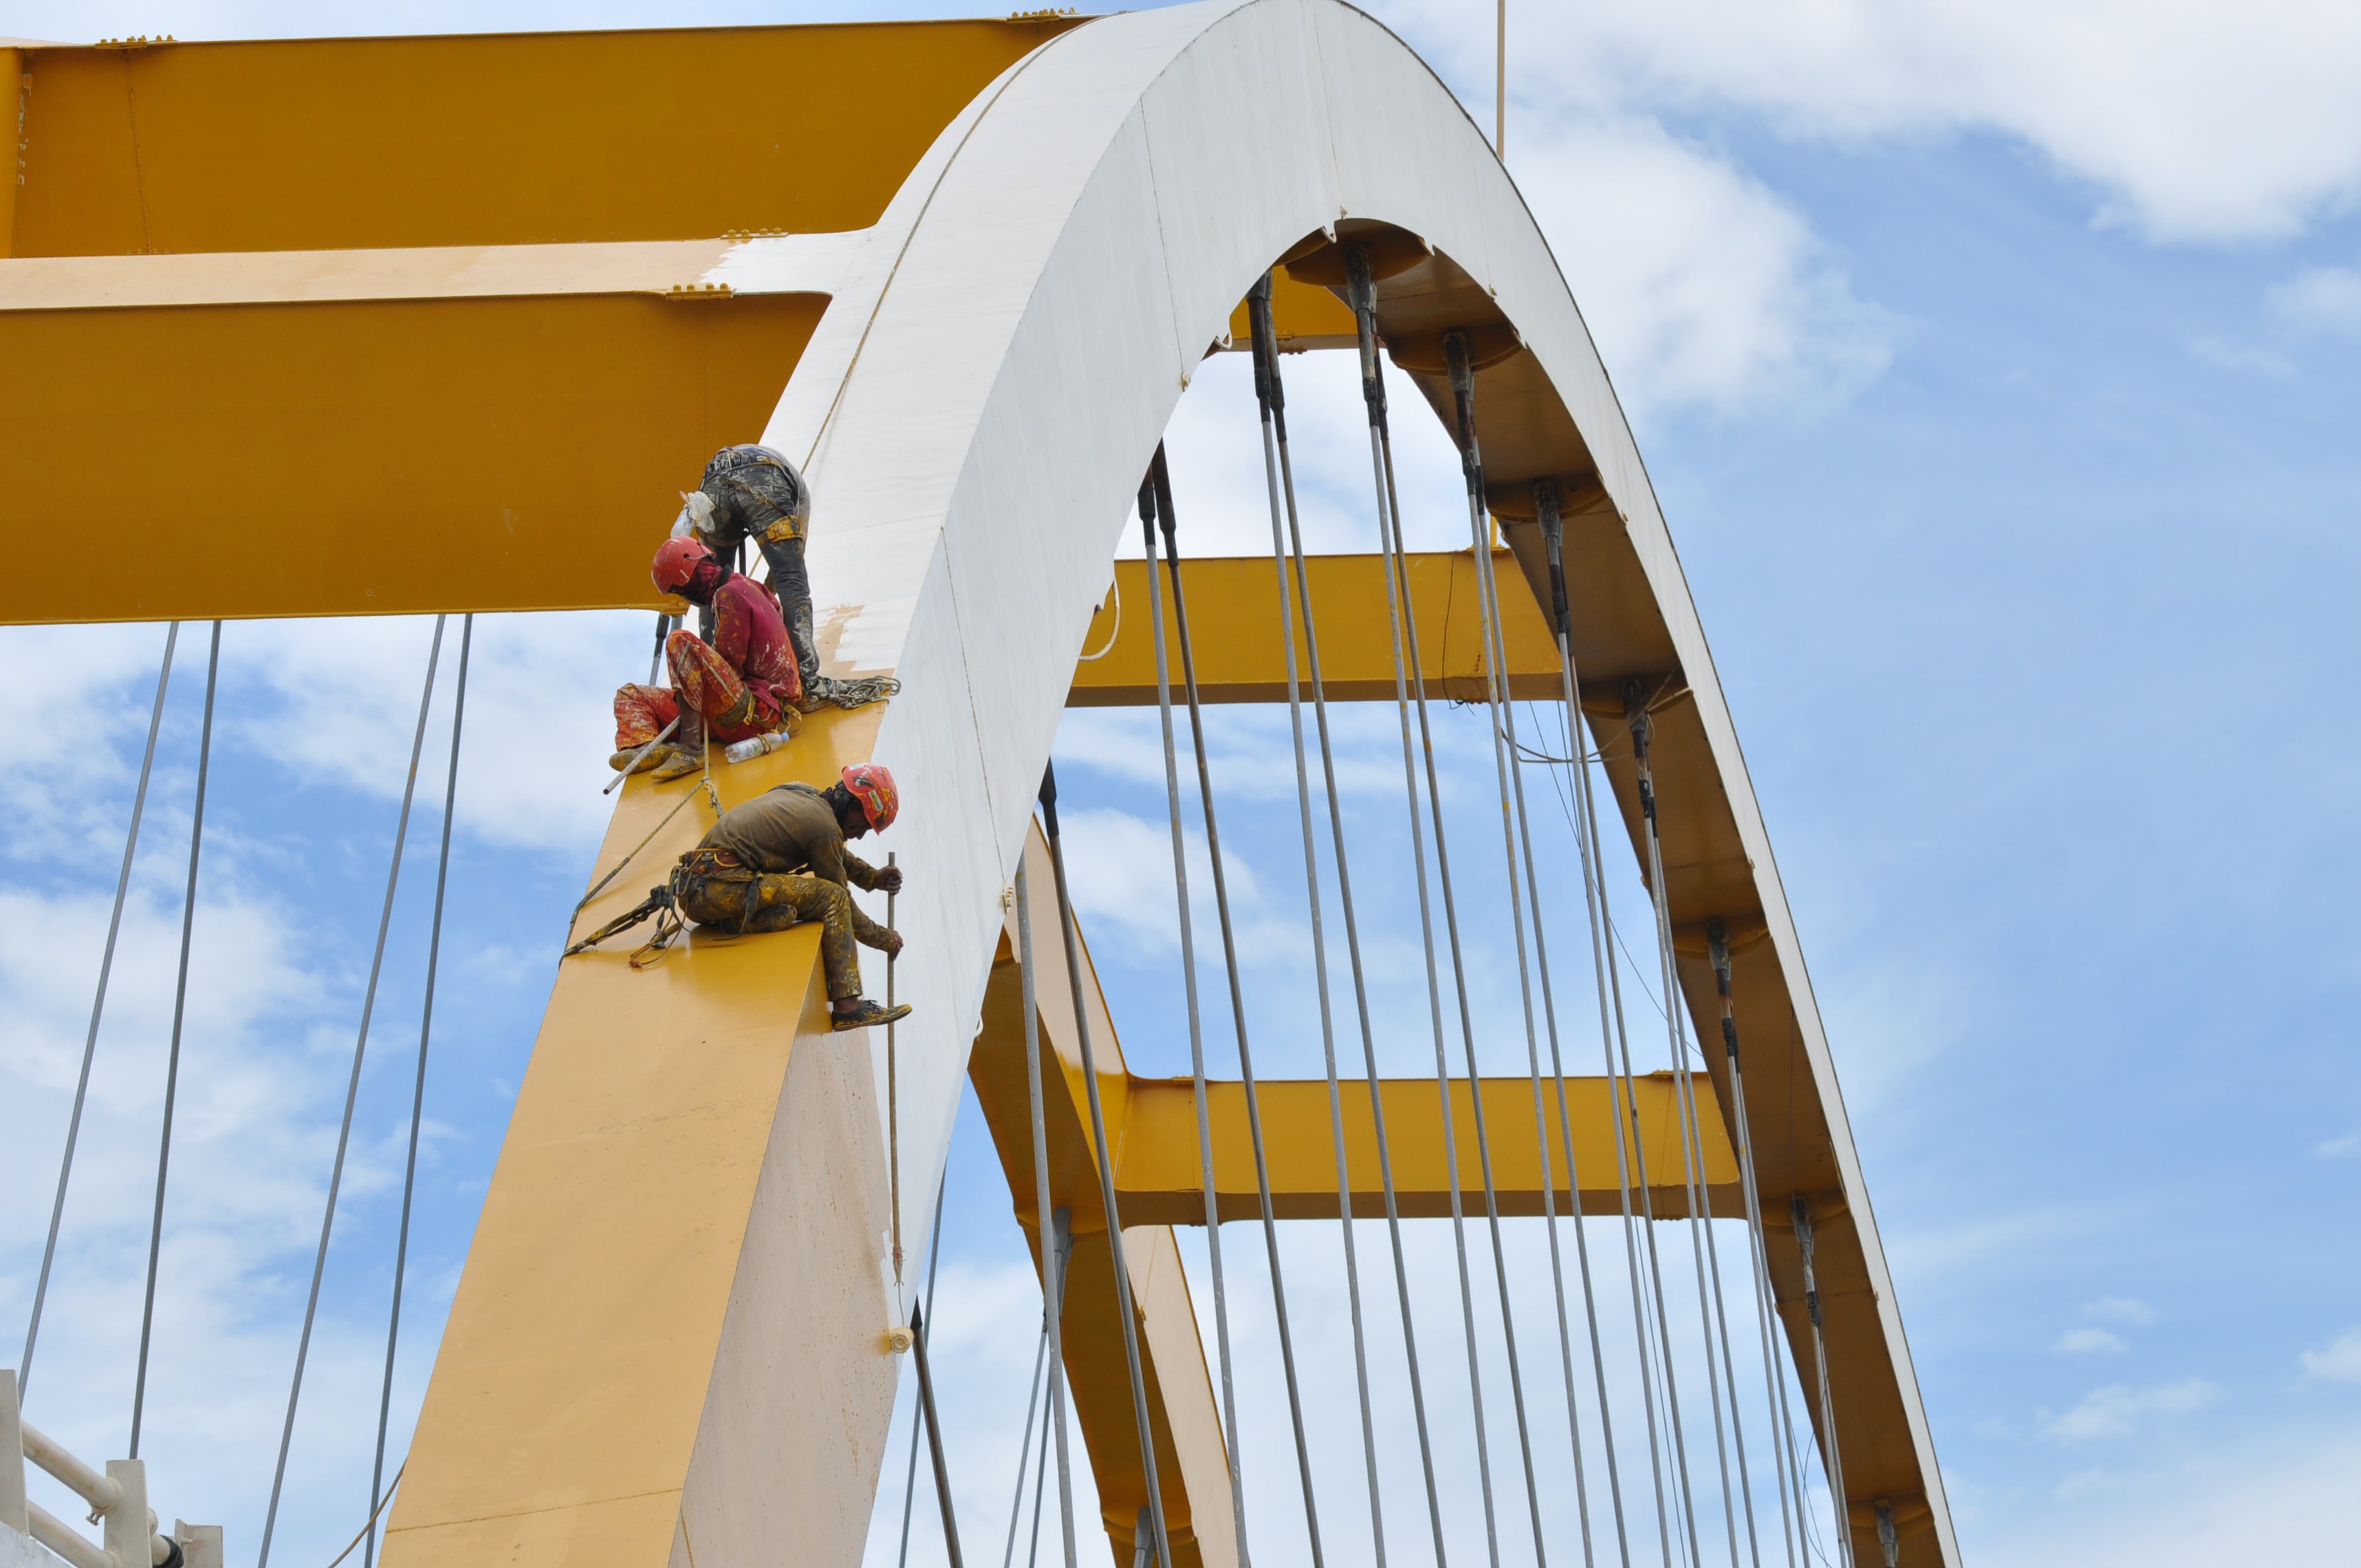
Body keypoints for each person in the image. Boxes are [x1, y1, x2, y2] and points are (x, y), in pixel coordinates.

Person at [672, 763, 911, 1031]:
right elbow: (841, 898)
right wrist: (884, 939)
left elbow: (833, 852)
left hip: (701, 889)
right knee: (832, 898)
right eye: (863, 825)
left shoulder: (805, 794)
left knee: (787, 911)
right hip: (718, 889)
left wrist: (871, 877)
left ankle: (735, 921)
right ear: (853, 805)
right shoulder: (824, 828)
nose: (858, 835)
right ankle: (849, 1007)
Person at [612, 537, 799, 783]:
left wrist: (695, 671)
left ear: (686, 581)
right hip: (731, 710)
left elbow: (730, 663)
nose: (685, 597)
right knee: (630, 695)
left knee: (680, 640)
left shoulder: (731, 594)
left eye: (680, 590)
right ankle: (646, 747)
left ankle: (690, 747)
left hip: (757, 713)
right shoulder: (749, 587)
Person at [672, 443, 825, 707]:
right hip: (764, 477)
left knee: (711, 588)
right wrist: (771, 591)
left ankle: (714, 686)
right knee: (792, 581)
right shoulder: (800, 498)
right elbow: (791, 564)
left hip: (712, 483)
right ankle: (808, 681)